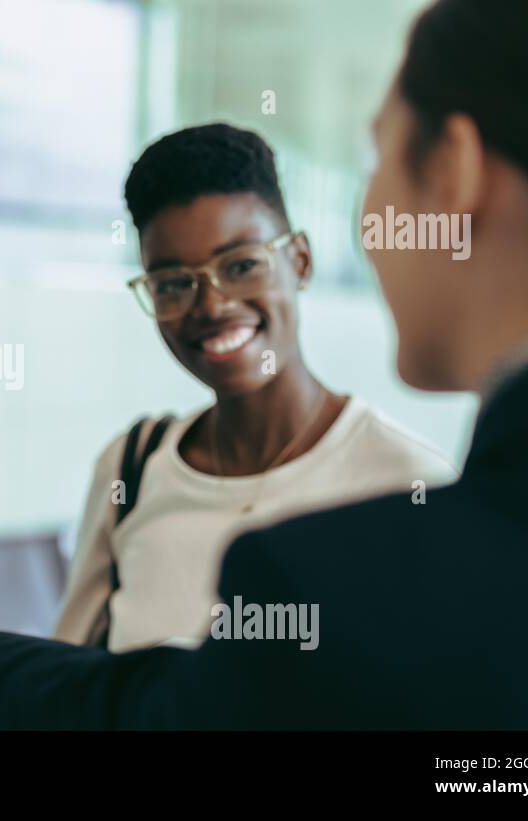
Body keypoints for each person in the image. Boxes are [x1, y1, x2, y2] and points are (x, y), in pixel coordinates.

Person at [0, 0, 528, 729]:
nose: (371, 219)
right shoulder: (136, 467)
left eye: (378, 158)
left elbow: (146, 709)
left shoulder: (386, 543)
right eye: (172, 281)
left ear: (455, 172)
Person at [55, 123, 455, 653]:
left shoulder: (409, 484)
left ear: (300, 261)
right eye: (174, 283)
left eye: (242, 265)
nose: (212, 306)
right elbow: (68, 688)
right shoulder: (132, 467)